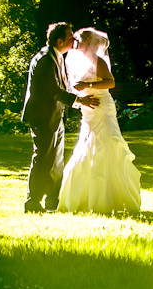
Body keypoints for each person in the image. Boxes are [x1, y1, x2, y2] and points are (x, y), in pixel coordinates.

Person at [57, 27, 141, 215]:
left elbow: (110, 82)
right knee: (87, 144)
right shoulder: (75, 63)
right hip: (88, 108)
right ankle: (83, 195)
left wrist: (88, 85)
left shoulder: (98, 61)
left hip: (102, 106)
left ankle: (112, 193)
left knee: (107, 142)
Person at [21, 22, 100, 214]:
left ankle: (52, 199)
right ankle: (32, 202)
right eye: (70, 36)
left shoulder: (55, 56)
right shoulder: (45, 60)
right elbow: (53, 90)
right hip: (42, 116)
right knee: (43, 158)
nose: (73, 39)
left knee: (56, 160)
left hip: (54, 115)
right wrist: (79, 100)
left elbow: (62, 86)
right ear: (59, 40)